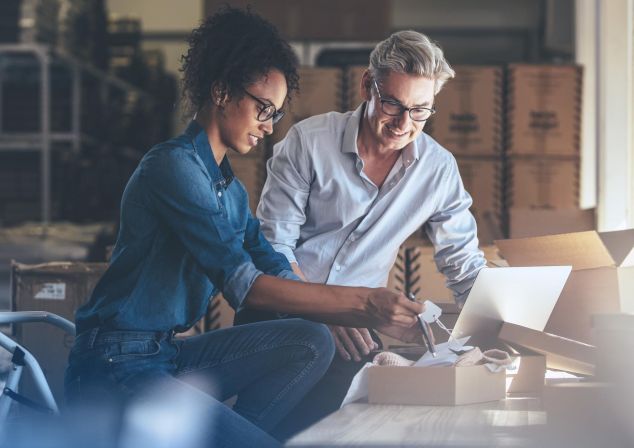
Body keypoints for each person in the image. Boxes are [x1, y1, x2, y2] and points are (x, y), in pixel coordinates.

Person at [64, 9, 424, 448]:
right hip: (115, 362)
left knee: (312, 340)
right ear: (220, 91)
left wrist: (344, 315)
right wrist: (365, 303)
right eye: (263, 109)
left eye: (275, 113)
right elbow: (245, 287)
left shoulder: (227, 188)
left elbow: (271, 260)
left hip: (166, 354)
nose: (269, 127)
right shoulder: (173, 167)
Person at [248, 30, 488, 438]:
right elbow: (273, 248)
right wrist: (328, 307)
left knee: (353, 433)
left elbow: (464, 267)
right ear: (367, 86)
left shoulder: (438, 169)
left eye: (420, 111)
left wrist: (503, 327)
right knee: (264, 434)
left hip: (356, 332)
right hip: (279, 315)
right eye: (392, 103)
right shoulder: (308, 142)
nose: (402, 124)